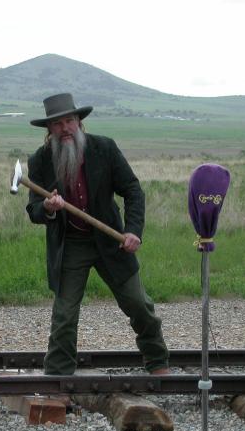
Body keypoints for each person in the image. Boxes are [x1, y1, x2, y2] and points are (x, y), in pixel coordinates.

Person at [26, 93, 169, 375]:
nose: (65, 128)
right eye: (57, 124)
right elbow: (33, 210)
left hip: (110, 241)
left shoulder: (104, 148)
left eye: (69, 121)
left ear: (79, 122)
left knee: (139, 304)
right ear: (49, 129)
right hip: (71, 245)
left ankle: (157, 362)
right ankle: (59, 376)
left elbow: (132, 190)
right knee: (64, 315)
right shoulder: (40, 160)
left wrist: (132, 231)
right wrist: (47, 207)